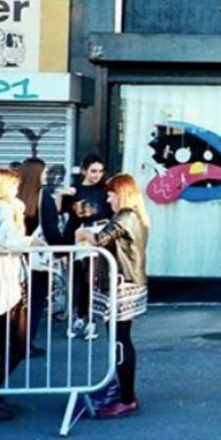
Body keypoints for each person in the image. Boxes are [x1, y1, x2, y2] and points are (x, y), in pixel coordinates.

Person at [75, 174, 149, 419]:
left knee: (120, 341)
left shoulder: (126, 216)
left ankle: (127, 398)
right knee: (120, 339)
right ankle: (124, 391)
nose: (108, 198)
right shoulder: (134, 215)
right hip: (127, 283)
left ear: (122, 193)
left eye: (111, 194)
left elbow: (101, 239)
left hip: (122, 285)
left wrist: (85, 233)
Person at [59, 154, 112, 341]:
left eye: (100, 171)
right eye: (93, 171)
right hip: (80, 234)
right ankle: (80, 316)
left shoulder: (106, 190)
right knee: (80, 278)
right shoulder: (76, 190)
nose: (97, 175)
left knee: (93, 278)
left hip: (100, 233)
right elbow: (69, 220)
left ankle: (90, 320)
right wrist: (63, 250)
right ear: (84, 171)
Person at [17, 158, 64, 356]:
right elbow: (52, 230)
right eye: (44, 172)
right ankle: (26, 342)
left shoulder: (15, 197)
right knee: (35, 302)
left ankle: (13, 341)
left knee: (18, 302)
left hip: (17, 255)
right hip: (38, 257)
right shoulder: (43, 197)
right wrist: (62, 251)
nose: (46, 176)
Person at [0, 169, 35, 421]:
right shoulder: (3, 209)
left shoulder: (9, 209)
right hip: (5, 286)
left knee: (13, 345)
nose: (17, 189)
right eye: (14, 185)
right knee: (14, 345)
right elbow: (10, 241)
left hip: (11, 284)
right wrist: (31, 242)